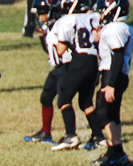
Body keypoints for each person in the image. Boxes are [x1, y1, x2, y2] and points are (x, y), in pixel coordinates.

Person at [48, 0, 101, 150]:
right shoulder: (93, 18)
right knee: (86, 102)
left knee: (64, 96)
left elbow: (60, 50)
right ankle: (99, 136)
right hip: (93, 60)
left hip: (80, 61)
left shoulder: (68, 20)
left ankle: (71, 135)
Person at [93, 0, 133, 166]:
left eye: (103, 10)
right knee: (113, 114)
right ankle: (114, 151)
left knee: (103, 113)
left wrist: (111, 84)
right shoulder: (120, 28)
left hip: (113, 74)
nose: (101, 14)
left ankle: (117, 152)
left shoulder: (115, 29)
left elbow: (116, 57)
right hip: (115, 74)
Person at [23, 0, 64, 144]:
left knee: (69, 101)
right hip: (60, 67)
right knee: (46, 97)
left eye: (43, 13)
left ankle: (86, 134)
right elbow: (50, 51)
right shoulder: (49, 26)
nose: (41, 18)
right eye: (39, 14)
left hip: (71, 66)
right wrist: (42, 37)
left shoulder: (61, 24)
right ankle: (46, 132)